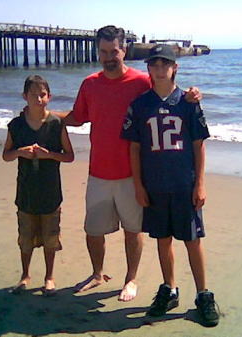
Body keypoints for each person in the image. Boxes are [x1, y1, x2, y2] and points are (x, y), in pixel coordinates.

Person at [55, 25, 203, 302]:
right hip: (98, 171)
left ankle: (130, 279)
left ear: (125, 51)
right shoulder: (90, 83)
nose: (109, 57)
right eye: (104, 51)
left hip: (134, 175)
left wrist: (193, 95)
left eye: (115, 51)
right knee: (93, 231)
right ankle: (97, 273)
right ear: (98, 52)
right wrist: (48, 115)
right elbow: (78, 116)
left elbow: (168, 91)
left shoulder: (140, 82)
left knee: (133, 230)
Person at [121, 44, 219, 326]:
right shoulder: (140, 105)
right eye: (154, 64)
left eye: (166, 64)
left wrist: (200, 183)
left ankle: (203, 294)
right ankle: (170, 288)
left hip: (183, 184)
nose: (160, 68)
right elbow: (135, 148)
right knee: (163, 240)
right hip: (155, 186)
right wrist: (139, 185)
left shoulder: (188, 103)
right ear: (148, 68)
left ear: (175, 67)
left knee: (192, 240)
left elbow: (199, 145)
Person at [2, 75, 74, 295]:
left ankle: (49, 277)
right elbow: (6, 155)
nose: (39, 99)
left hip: (51, 193)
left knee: (51, 238)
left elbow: (69, 156)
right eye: (34, 95)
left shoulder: (56, 124)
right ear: (25, 97)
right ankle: (25, 275)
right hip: (25, 193)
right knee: (25, 238)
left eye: (43, 95)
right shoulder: (16, 125)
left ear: (49, 97)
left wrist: (49, 155)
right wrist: (20, 153)